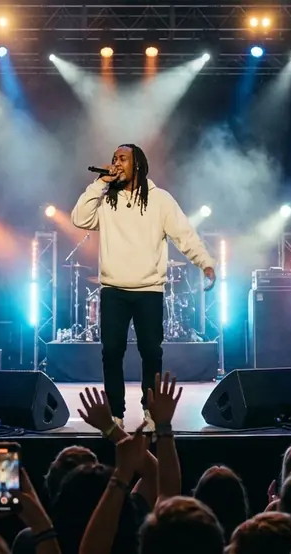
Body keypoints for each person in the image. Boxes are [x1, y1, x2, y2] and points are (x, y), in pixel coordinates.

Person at [71, 144, 216, 429]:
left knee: (151, 352)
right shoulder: (106, 200)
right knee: (111, 352)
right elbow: (79, 218)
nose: (115, 163)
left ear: (137, 164)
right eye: (113, 158)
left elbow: (184, 234)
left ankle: (151, 413)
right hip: (113, 289)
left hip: (149, 289)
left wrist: (205, 263)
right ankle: (116, 413)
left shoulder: (160, 200)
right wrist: (99, 183)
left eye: (122, 158)